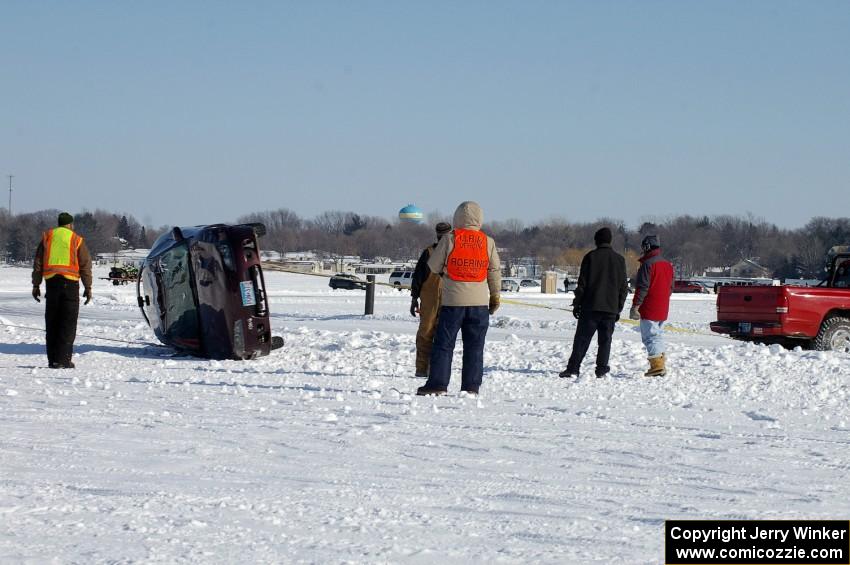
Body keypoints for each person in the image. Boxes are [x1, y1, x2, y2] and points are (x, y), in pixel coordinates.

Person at [417, 201, 500, 396]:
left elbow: (433, 266)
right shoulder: (488, 241)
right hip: (479, 303)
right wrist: (495, 295)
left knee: (444, 345)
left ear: (457, 217)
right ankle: (471, 387)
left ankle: (438, 384)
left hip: (453, 302)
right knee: (475, 347)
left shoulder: (450, 238)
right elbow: (494, 271)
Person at [560, 227, 628, 378]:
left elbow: (582, 284)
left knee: (582, 340)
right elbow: (624, 287)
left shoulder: (590, 257)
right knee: (605, 341)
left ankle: (573, 368)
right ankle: (601, 369)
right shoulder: (620, 260)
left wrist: (577, 304)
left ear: (596, 240)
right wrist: (618, 307)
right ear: (610, 240)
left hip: (590, 307)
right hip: (610, 308)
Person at [31, 212, 93, 369]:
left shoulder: (48, 237)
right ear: (70, 225)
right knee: (68, 323)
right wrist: (88, 287)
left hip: (51, 284)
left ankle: (53, 360)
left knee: (52, 322)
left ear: (59, 224)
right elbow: (85, 266)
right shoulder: (76, 239)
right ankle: (64, 360)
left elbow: (38, 263)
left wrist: (36, 285)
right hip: (70, 285)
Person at [409, 221, 452, 378]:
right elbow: (418, 277)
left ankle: (437, 369)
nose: (442, 238)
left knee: (442, 335)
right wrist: (414, 298)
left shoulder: (454, 252)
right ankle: (422, 368)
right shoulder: (428, 252)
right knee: (426, 333)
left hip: (449, 298)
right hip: (430, 299)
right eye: (441, 235)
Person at [629, 234, 674, 377]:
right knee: (658, 335)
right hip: (663, 306)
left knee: (650, 337)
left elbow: (642, 288)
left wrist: (635, 306)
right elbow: (671, 287)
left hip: (650, 306)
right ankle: (660, 363)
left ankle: (657, 366)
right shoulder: (668, 265)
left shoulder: (647, 265)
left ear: (647, 247)